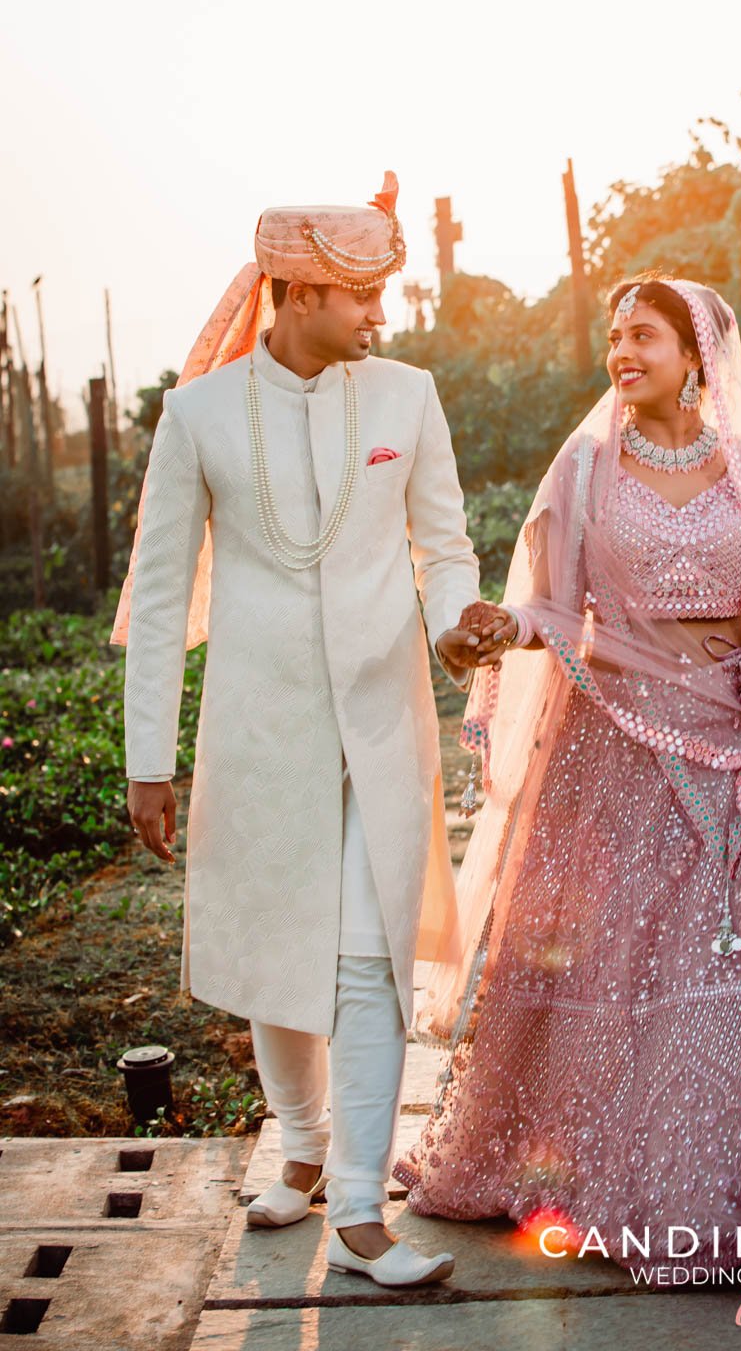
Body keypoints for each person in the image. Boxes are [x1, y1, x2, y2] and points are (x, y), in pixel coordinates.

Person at [392, 271, 741, 1277]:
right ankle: (622, 1176)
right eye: (613, 335)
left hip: (736, 737)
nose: (621, 351)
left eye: (643, 334)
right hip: (611, 745)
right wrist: (503, 628)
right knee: (623, 957)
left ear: (695, 353)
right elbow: (558, 611)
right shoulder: (583, 471)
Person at [113, 174, 483, 1287]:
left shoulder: (409, 397)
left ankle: (364, 1216)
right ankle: (306, 1149)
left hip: (381, 721)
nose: (382, 316)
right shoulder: (200, 414)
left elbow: (445, 544)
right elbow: (163, 587)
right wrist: (148, 761)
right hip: (257, 734)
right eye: (362, 296)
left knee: (367, 962)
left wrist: (459, 625)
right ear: (299, 290)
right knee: (281, 958)